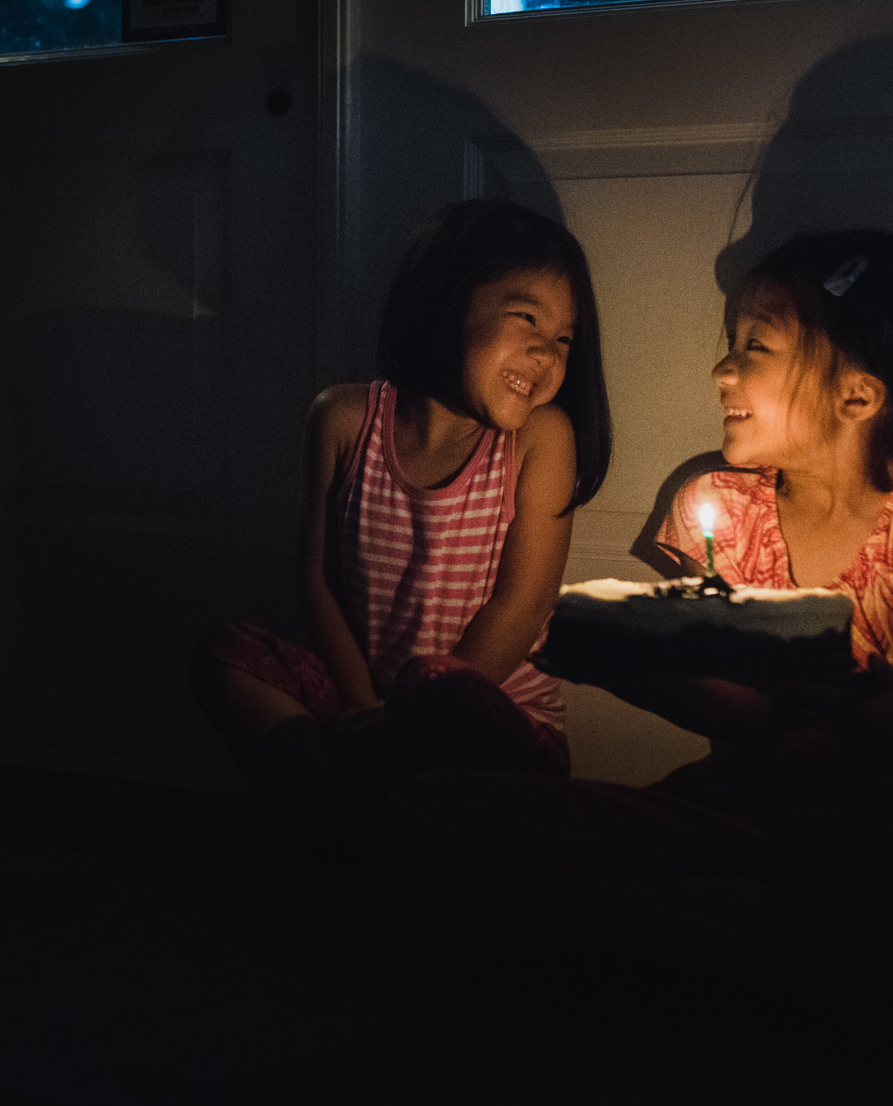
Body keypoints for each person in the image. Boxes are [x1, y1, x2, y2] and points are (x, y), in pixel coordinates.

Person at [383, 230, 893, 1017]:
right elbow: (747, 720)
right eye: (730, 344)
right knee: (437, 811)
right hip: (743, 808)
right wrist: (628, 664)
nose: (722, 369)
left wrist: (795, 657)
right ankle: (762, 950)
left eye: (754, 347)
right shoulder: (723, 508)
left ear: (857, 395)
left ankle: (716, 927)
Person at [191, 200, 613, 833]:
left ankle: (379, 825)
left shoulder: (541, 438)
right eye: (526, 317)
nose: (546, 355)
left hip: (490, 714)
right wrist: (363, 705)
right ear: (445, 300)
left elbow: (523, 606)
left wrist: (409, 716)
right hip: (368, 698)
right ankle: (359, 826)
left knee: (445, 701)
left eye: (562, 341)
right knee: (225, 656)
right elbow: (319, 580)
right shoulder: (342, 419)